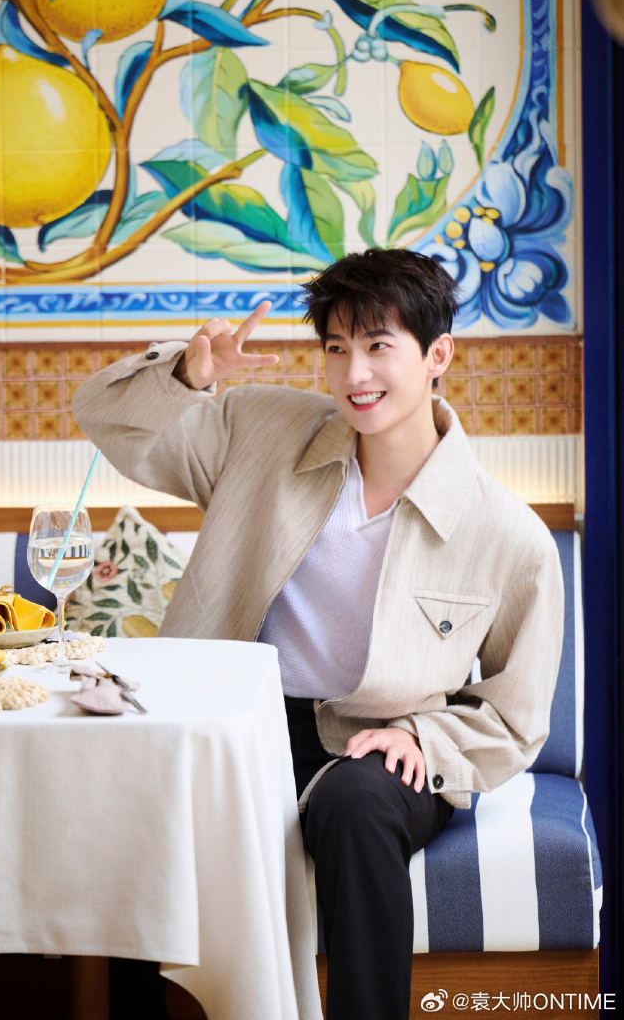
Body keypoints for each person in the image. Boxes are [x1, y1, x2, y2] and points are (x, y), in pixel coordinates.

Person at [72, 249, 564, 1020]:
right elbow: (104, 417)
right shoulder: (261, 430)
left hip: (382, 744)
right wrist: (189, 376)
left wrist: (424, 738)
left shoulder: (508, 534)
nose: (354, 373)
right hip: (241, 722)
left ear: (438, 354)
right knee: (142, 790)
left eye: (378, 345)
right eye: (337, 348)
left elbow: (515, 715)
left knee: (356, 804)